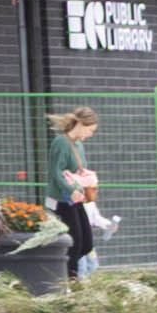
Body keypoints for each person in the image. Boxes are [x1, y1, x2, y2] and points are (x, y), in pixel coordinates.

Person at [47, 106, 106, 284]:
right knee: (75, 242)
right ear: (80, 124)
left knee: (86, 242)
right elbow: (56, 173)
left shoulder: (78, 145)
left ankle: (66, 275)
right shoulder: (61, 142)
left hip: (76, 198)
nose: (91, 134)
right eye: (90, 130)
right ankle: (68, 281)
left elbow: (78, 171)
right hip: (62, 199)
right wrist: (70, 190)